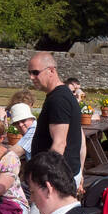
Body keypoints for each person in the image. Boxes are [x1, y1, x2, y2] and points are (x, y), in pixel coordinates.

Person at [27, 51, 84, 183]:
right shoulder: (60, 95)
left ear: (51, 71)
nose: (31, 77)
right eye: (29, 73)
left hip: (57, 178)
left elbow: (59, 144)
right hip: (64, 173)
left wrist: (44, 178)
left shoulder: (58, 99)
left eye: (35, 72)